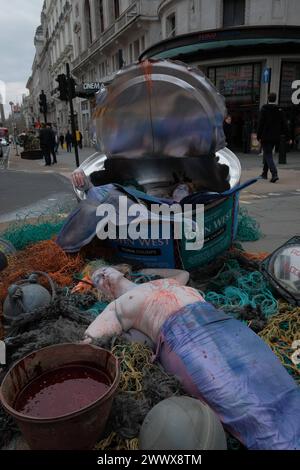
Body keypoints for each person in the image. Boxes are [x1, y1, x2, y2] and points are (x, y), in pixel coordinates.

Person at [82, 267, 300, 450]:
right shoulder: (149, 292)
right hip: (193, 332)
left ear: (106, 288)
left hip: (207, 328)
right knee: (240, 397)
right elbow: (91, 338)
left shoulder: (129, 301)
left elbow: (91, 337)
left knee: (263, 380)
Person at [257, 92, 290, 183]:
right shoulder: (279, 110)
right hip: (275, 137)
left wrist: (258, 135)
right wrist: (288, 137)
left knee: (268, 154)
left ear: (268, 98)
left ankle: (274, 173)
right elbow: (284, 124)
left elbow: (261, 123)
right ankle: (264, 173)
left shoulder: (264, 109)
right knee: (268, 154)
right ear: (275, 99)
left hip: (265, 136)